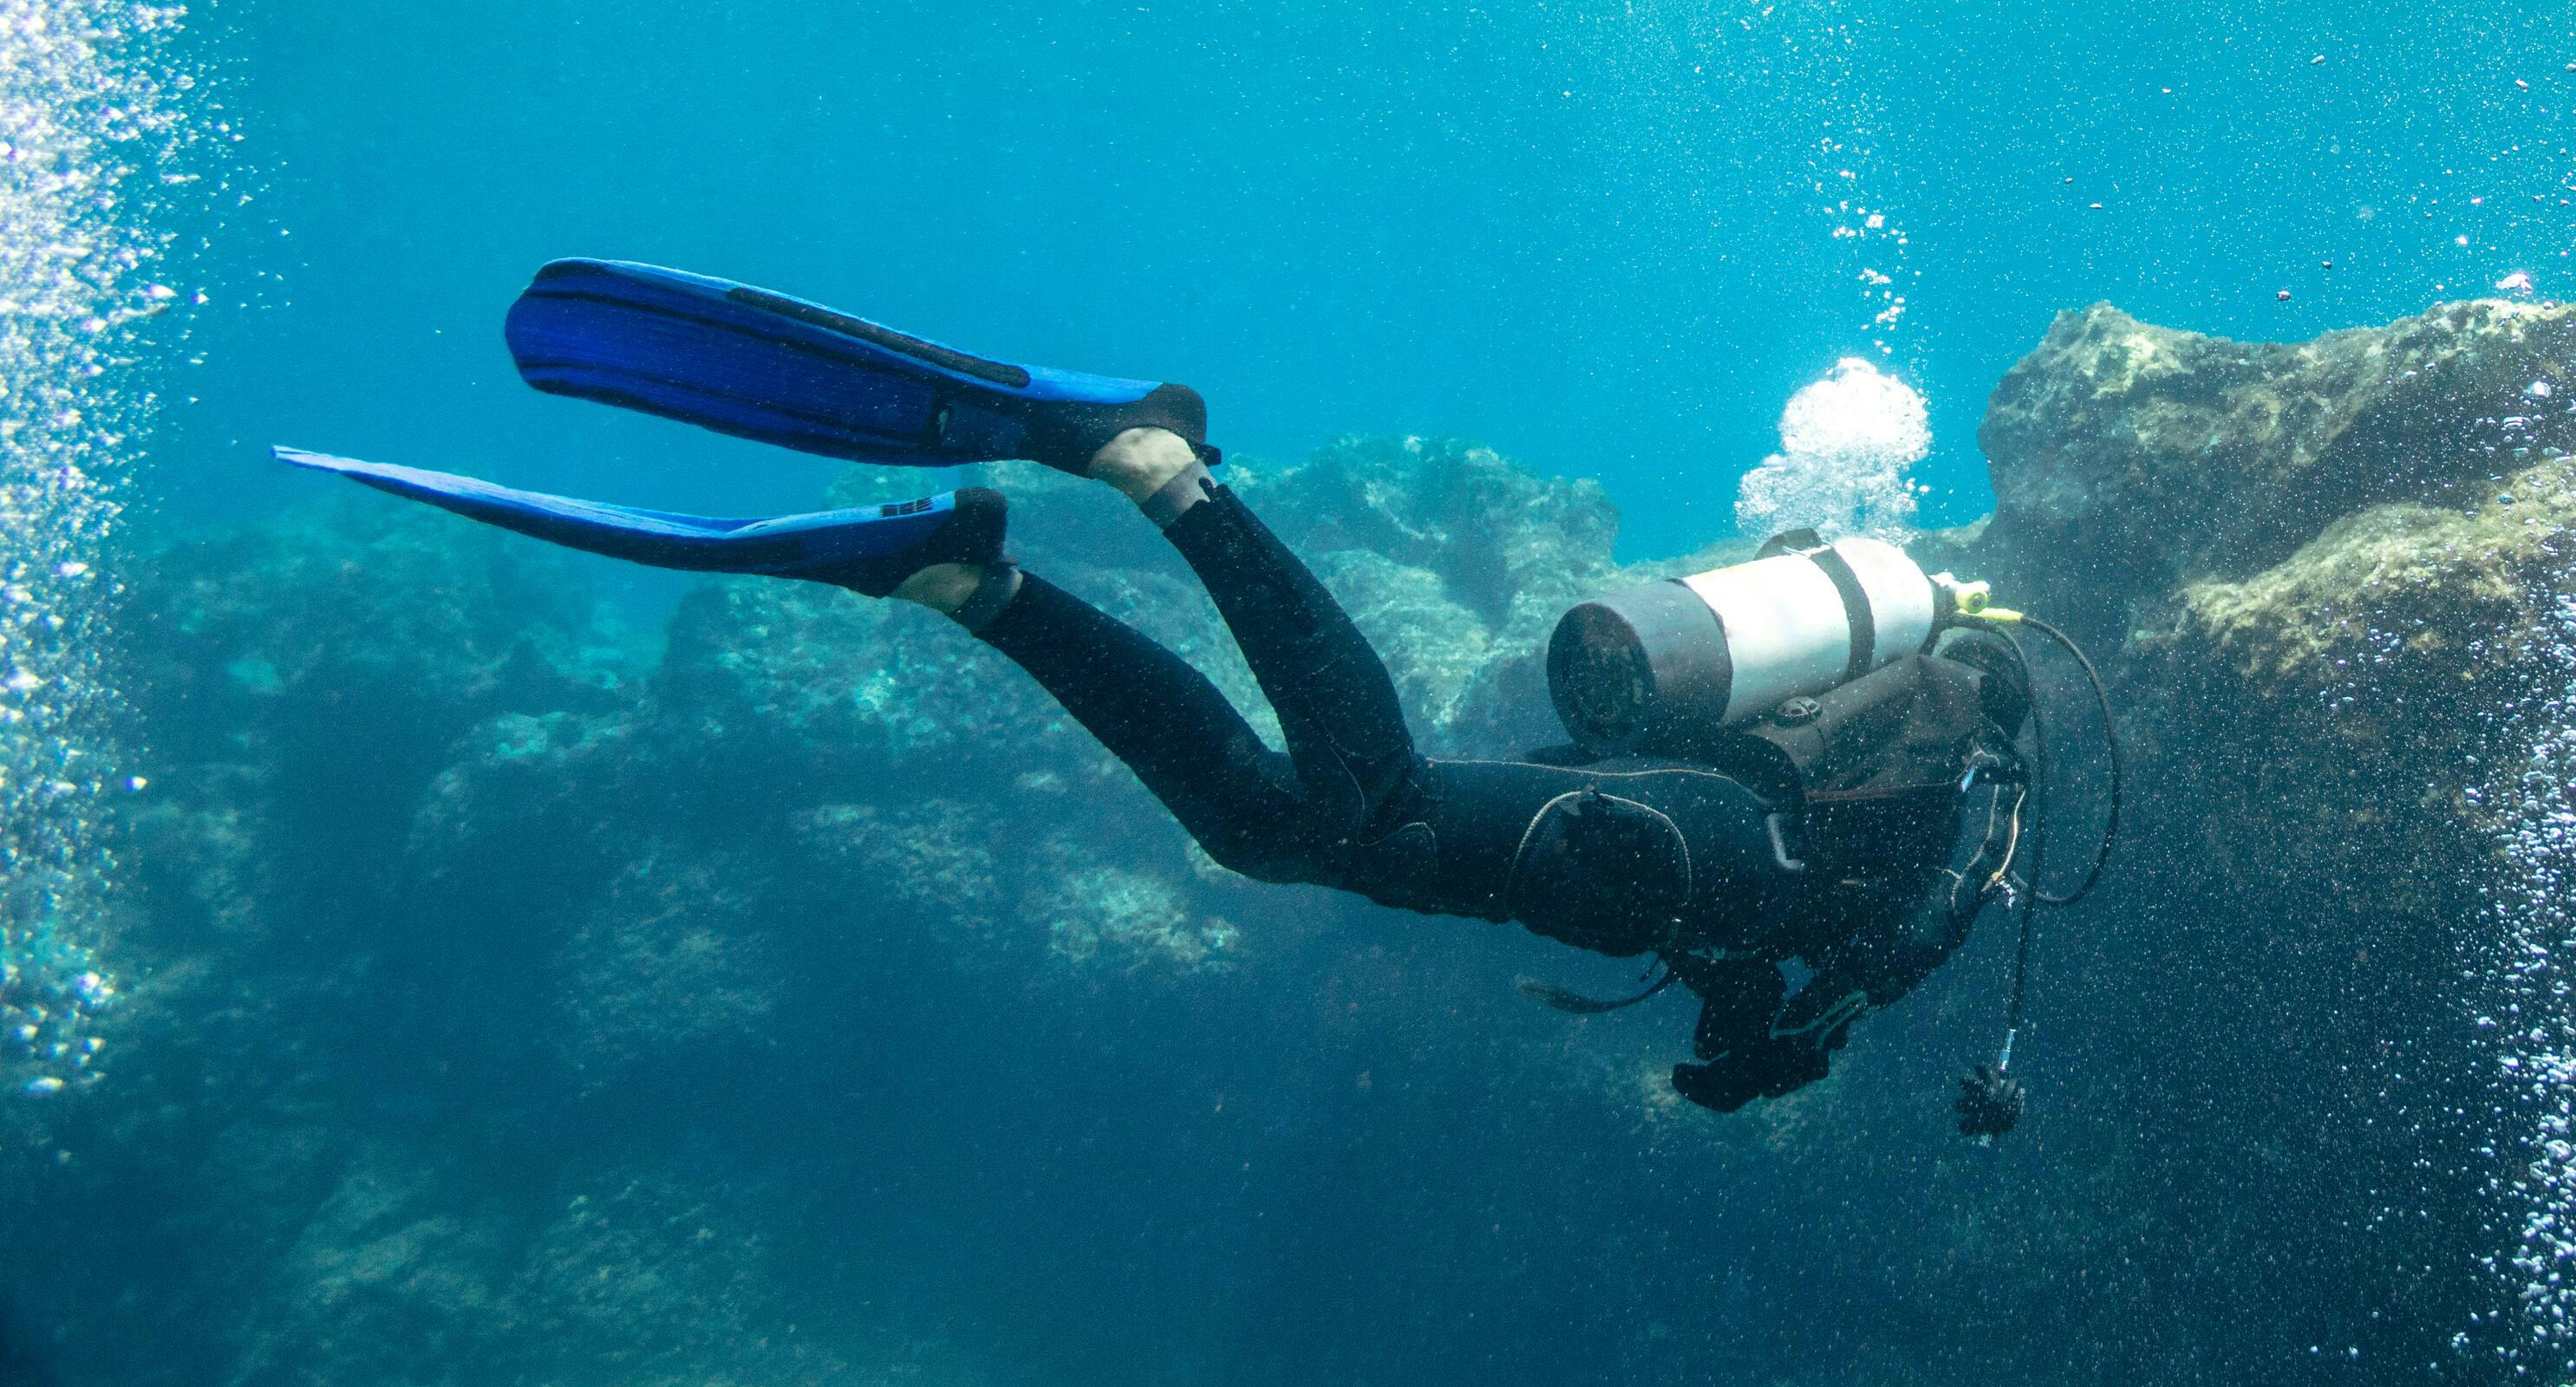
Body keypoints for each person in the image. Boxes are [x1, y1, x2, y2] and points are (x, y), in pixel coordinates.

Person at [284, 259, 2031, 1111]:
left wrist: (1747, 1031)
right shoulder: (1985, 812)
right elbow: (1877, 959)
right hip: (1693, 845)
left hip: (1670, 830)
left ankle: (967, 577)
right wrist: (1777, 1056)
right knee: (1381, 804)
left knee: (1275, 833)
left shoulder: (1944, 731)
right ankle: (1160, 468)